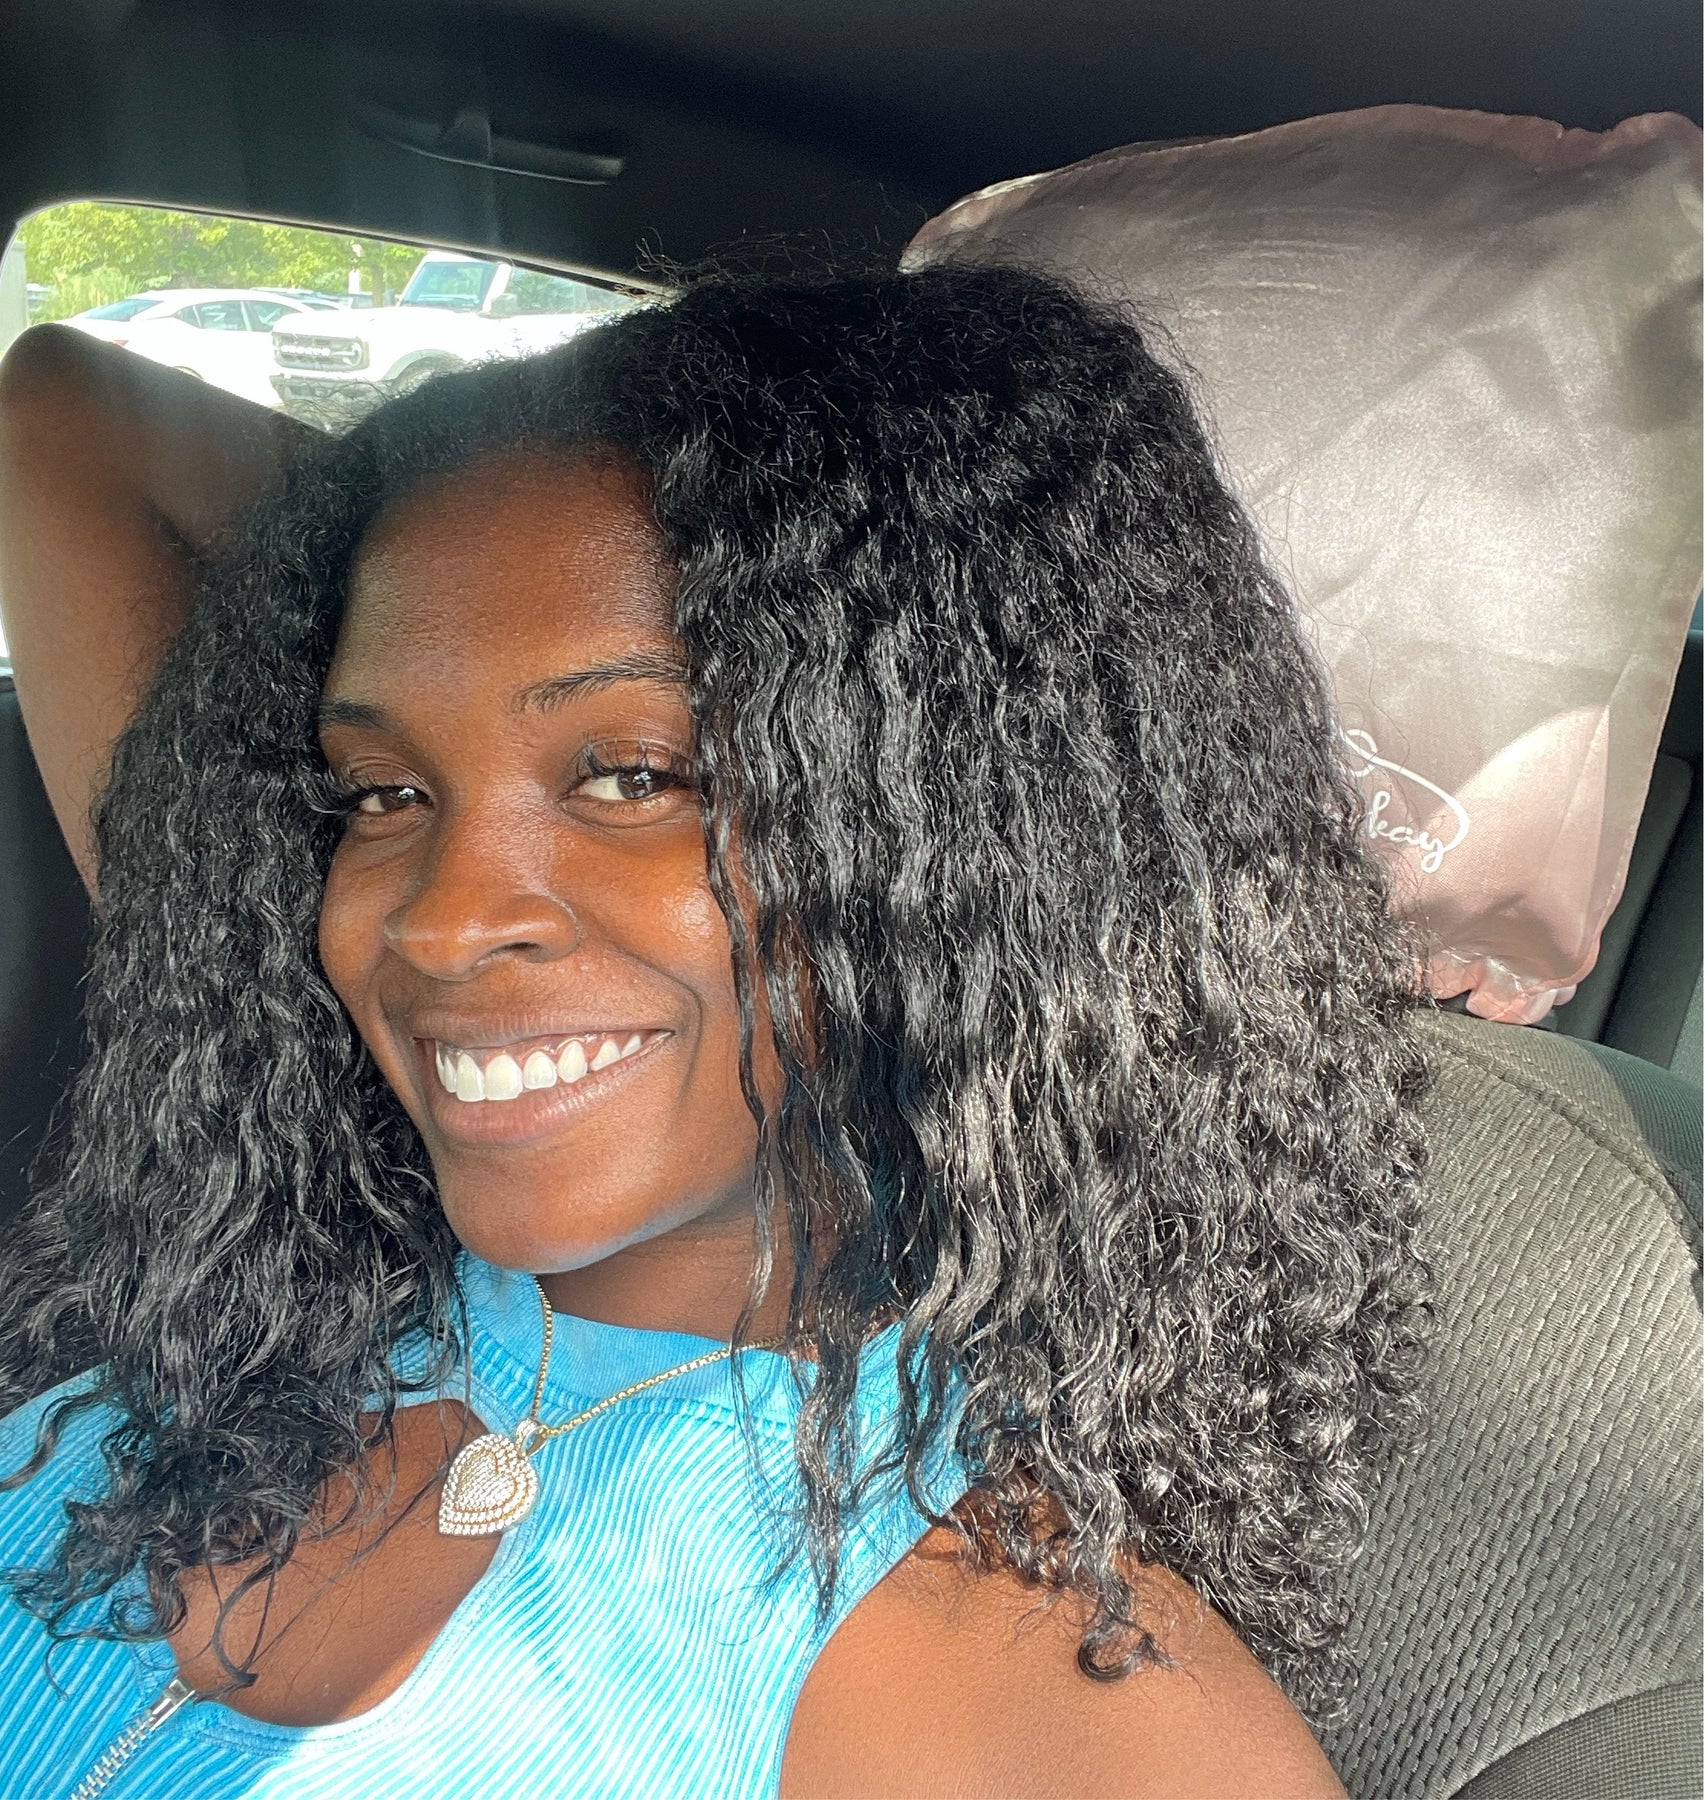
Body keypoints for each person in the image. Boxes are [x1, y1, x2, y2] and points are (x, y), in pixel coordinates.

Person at [0, 265, 1430, 1799]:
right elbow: (59, 412)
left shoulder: (1055, 1705)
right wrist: (441, 495)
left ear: (966, 838)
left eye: (635, 776)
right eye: (383, 792)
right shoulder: (285, 1261)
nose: (443, 922)